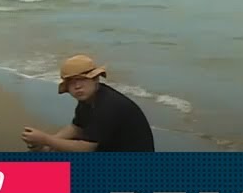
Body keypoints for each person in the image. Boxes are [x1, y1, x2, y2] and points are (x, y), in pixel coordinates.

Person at [20, 55, 154, 152]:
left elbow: (86, 148)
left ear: (96, 79)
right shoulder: (89, 99)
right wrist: (48, 144)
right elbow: (76, 127)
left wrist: (45, 139)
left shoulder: (108, 105)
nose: (77, 86)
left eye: (82, 80)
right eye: (72, 82)